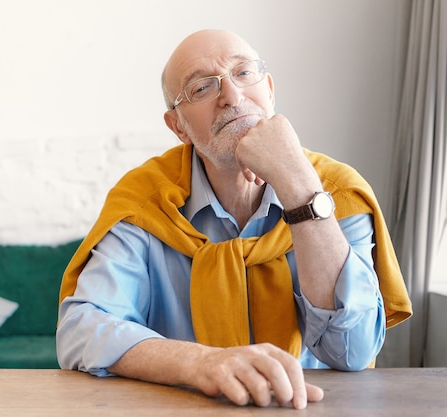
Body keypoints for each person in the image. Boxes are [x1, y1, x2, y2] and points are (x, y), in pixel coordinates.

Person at [56, 29, 412, 409]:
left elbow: (351, 350)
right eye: (203, 88)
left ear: (270, 91)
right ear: (178, 126)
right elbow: (82, 330)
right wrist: (202, 361)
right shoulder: (145, 199)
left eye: (244, 74)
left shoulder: (337, 192)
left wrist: (299, 188)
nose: (232, 97)